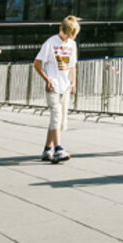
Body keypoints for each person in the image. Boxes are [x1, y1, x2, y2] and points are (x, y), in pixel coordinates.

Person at [31, 16, 79, 163]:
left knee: (58, 119)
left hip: (65, 85)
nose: (67, 37)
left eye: (71, 35)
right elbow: (37, 63)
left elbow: (72, 66)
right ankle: (58, 149)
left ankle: (47, 150)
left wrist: (73, 83)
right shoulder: (50, 43)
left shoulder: (72, 44)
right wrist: (47, 80)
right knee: (56, 115)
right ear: (61, 29)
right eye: (66, 33)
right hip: (53, 85)